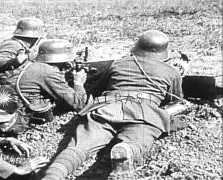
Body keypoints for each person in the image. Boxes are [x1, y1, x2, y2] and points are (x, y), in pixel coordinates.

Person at [40, 30, 184, 179]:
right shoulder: (172, 72)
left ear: (138, 46)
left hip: (108, 108)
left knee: (78, 147)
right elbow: (176, 101)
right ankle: (126, 148)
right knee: (140, 138)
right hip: (144, 112)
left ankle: (53, 174)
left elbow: (99, 89)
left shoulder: (118, 64)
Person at [0, 39, 88, 135]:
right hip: (9, 119)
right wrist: (79, 83)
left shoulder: (29, 64)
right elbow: (79, 104)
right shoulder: (49, 73)